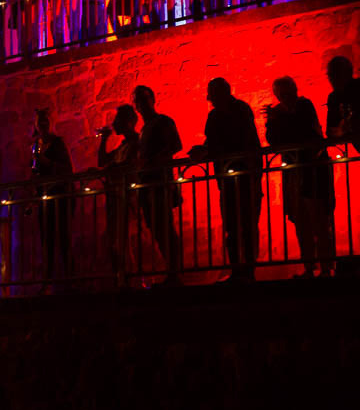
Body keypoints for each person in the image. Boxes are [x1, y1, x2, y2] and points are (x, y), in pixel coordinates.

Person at [189, 78, 263, 281]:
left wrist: (209, 151)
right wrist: (203, 150)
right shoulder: (216, 115)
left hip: (245, 174)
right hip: (228, 177)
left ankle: (248, 269)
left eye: (211, 94)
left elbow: (243, 140)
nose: (209, 99)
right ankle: (238, 269)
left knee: (246, 223)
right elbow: (212, 142)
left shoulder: (240, 110)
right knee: (232, 224)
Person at [264, 77, 336, 277]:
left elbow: (302, 131)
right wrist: (271, 121)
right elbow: (274, 141)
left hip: (313, 169)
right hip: (294, 172)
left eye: (287, 92)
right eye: (280, 93)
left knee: (319, 219)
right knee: (301, 220)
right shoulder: (278, 113)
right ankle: (309, 266)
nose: (284, 97)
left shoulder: (304, 105)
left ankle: (326, 266)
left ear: (294, 90)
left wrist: (280, 119)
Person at [133, 85, 184, 285]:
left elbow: (175, 145)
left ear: (153, 99)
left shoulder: (162, 122)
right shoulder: (144, 129)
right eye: (138, 100)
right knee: (156, 228)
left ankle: (174, 273)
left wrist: (154, 162)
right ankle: (171, 271)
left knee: (164, 227)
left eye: (144, 99)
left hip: (159, 182)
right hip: (147, 184)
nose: (142, 104)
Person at [31, 109, 73, 290]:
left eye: (45, 122)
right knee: (46, 239)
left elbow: (67, 168)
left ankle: (70, 281)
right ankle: (47, 282)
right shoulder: (35, 145)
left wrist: (46, 162)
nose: (43, 126)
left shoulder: (58, 143)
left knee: (64, 238)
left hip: (60, 195)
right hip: (44, 197)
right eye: (40, 123)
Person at [97, 104, 140, 283]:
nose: (114, 123)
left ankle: (131, 279)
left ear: (129, 122)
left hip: (127, 198)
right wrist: (104, 139)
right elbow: (103, 161)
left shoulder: (137, 142)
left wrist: (110, 170)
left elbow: (130, 165)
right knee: (116, 241)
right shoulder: (123, 145)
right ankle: (124, 279)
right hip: (116, 198)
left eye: (118, 119)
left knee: (123, 241)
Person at [326, 55, 360, 150]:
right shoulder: (333, 98)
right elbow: (330, 131)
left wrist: (346, 128)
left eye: (335, 74)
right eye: (330, 75)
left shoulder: (358, 88)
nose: (331, 79)